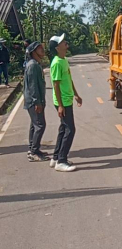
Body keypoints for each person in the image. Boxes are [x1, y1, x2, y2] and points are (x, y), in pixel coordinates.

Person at [49, 34, 82, 172]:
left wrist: (76, 94)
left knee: (63, 129)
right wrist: (61, 106)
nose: (65, 42)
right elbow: (55, 85)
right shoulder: (56, 63)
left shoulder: (64, 60)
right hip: (62, 101)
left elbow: (69, 79)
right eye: (62, 42)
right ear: (57, 48)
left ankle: (56, 157)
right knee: (70, 130)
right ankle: (61, 161)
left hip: (67, 99)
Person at [24, 41, 49, 162]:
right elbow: (33, 86)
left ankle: (33, 149)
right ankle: (34, 152)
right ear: (33, 52)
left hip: (34, 100)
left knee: (35, 125)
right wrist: (37, 102)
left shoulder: (35, 64)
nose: (42, 50)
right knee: (40, 125)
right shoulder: (33, 65)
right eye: (40, 49)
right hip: (34, 101)